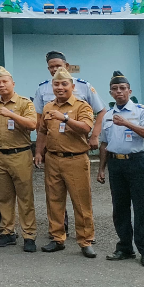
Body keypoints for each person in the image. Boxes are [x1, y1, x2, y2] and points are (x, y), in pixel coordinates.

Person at [97, 71, 144, 267]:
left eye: (122, 88)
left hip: (137, 162)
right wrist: (101, 169)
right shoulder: (107, 115)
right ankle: (124, 247)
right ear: (111, 93)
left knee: (142, 208)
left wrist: (126, 123)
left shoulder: (141, 111)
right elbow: (104, 144)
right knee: (120, 208)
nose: (119, 92)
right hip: (116, 164)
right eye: (115, 89)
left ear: (129, 90)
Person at [34, 67, 96, 257]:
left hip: (75, 159)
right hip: (53, 159)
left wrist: (65, 118)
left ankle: (85, 241)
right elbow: (43, 131)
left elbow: (85, 128)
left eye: (64, 84)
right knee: (54, 201)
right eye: (56, 84)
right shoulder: (48, 107)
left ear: (72, 86)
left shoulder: (81, 106)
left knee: (81, 201)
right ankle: (57, 238)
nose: (60, 88)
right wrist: (38, 152)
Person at [0, 66, 38, 252]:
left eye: (4, 82)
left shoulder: (24, 103)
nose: (1, 85)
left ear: (13, 84)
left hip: (20, 154)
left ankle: (29, 235)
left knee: (25, 197)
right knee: (4, 197)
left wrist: (11, 114)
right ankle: (7, 231)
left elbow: (32, 125)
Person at [33, 51, 106, 148]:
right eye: (51, 67)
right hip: (53, 145)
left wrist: (94, 136)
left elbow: (101, 111)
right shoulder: (42, 88)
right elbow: (38, 116)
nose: (55, 69)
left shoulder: (83, 86)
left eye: (58, 66)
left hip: (76, 143)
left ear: (67, 66)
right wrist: (42, 142)